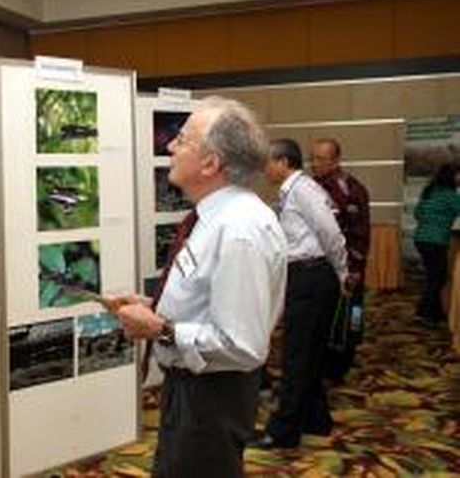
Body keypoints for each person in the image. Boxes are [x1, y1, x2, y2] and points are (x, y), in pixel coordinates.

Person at [115, 96, 287, 477]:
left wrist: (160, 328)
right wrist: (151, 306)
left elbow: (242, 344)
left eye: (183, 139)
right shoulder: (214, 218)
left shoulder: (240, 229)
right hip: (193, 389)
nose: (170, 147)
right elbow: (208, 297)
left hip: (211, 395)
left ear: (211, 163)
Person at [253, 138, 348, 449]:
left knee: (296, 357)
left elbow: (331, 234)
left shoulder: (303, 190)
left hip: (311, 276)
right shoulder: (291, 191)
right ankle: (316, 420)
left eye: (267, 162)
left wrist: (341, 271)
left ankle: (282, 432)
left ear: (283, 162)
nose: (263, 169)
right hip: (307, 276)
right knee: (309, 355)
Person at [310, 138, 370, 382]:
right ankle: (324, 364)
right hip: (320, 267)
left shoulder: (351, 189)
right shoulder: (310, 187)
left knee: (349, 316)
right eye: (312, 158)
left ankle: (340, 367)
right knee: (323, 318)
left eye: (320, 159)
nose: (314, 164)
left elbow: (360, 234)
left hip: (346, 268)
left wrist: (354, 271)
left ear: (336, 160)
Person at [413, 163, 460, 324]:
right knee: (438, 278)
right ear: (452, 176)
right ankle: (423, 312)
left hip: (421, 238)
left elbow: (417, 213)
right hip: (436, 240)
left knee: (434, 276)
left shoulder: (430, 191)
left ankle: (436, 313)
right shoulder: (449, 195)